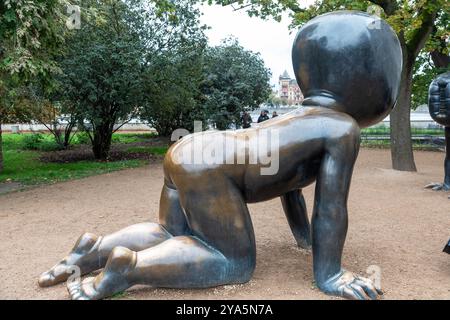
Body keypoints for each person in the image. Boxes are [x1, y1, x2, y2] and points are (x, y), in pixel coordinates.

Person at [39, 11, 401, 300]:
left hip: (190, 151)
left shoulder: (294, 117)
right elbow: (330, 207)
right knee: (232, 262)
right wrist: (330, 274)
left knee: (169, 230)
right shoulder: (341, 129)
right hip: (215, 168)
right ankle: (129, 268)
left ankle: (94, 249)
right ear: (374, 80)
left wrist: (303, 239)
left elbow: (294, 188)